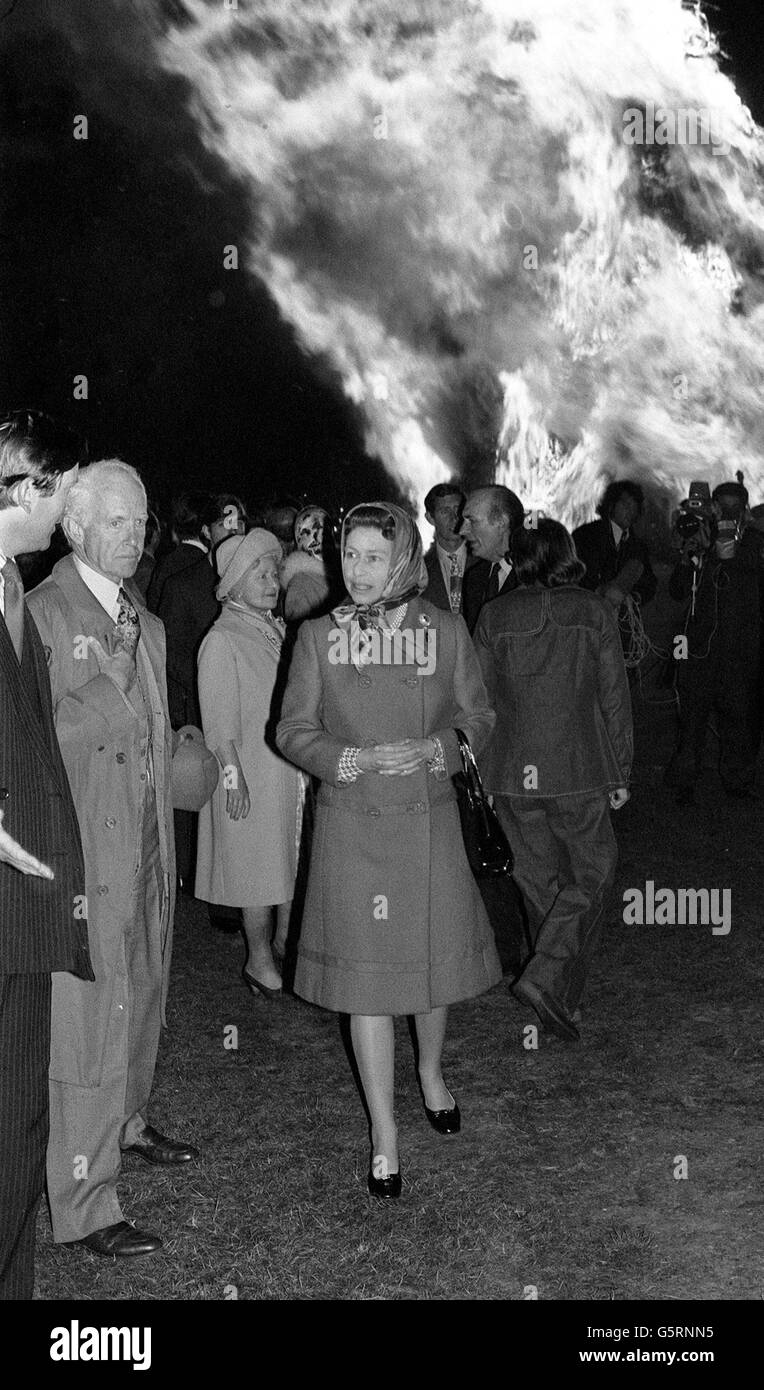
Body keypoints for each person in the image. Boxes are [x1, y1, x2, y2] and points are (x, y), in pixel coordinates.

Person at [277, 503, 501, 1199]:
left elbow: (479, 719)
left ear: (402, 559)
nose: (359, 570)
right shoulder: (319, 636)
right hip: (353, 827)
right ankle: (384, 1134)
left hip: (426, 823)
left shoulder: (445, 628)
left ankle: (431, 1073)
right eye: (351, 556)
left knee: (428, 964)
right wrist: (339, 759)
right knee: (367, 986)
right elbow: (290, 729)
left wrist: (436, 751)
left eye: (375, 557)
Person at [28, 459, 197, 1262]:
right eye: (117, 522)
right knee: (87, 1022)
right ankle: (86, 1201)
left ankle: (125, 1121)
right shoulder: (40, 617)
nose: (134, 537)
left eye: (141, 522)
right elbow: (37, 743)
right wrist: (118, 678)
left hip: (147, 849)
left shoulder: (146, 621)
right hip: (86, 857)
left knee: (144, 986)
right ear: (76, 527)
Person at [474, 519, 633, 1041]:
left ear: (518, 558)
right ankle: (546, 979)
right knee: (591, 875)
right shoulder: (593, 611)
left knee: (540, 885)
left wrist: (482, 775)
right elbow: (614, 696)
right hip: (580, 766)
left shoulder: (495, 615)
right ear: (567, 554)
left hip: (513, 773)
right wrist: (622, 768)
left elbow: (480, 704)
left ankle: (558, 995)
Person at [0, 410, 92, 1300]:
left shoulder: (12, 589)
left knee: (20, 1122)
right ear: (29, 488)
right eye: (61, 494)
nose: (67, 517)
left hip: (25, 901)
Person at [195, 530, 306, 997]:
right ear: (235, 584)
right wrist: (232, 779)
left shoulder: (269, 628)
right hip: (248, 772)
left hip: (280, 771)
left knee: (283, 861)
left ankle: (281, 945)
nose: (270, 580)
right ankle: (259, 960)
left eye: (273, 572)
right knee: (255, 871)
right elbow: (218, 721)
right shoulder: (223, 639)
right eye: (258, 573)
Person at [664, 481, 760, 804]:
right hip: (699, 647)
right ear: (713, 507)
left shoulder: (755, 542)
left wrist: (727, 554)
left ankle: (737, 781)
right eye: (722, 507)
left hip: (739, 647)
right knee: (691, 720)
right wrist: (690, 554)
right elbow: (678, 590)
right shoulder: (700, 539)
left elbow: (753, 568)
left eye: (736, 508)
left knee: (739, 719)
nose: (728, 514)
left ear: (746, 510)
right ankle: (684, 781)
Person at [573, 480, 657, 662]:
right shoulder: (586, 536)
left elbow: (650, 583)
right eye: (626, 505)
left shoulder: (638, 546)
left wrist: (633, 598)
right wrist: (600, 591)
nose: (631, 511)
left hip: (624, 636)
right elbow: (574, 576)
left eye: (635, 507)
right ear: (611, 505)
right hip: (589, 631)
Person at [459, 484, 525, 633]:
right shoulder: (473, 578)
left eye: (472, 521)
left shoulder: (535, 577)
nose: (462, 530)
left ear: (501, 522)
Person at [421, 482, 479, 617]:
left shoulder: (485, 561)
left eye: (458, 510)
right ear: (430, 518)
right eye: (444, 511)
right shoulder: (418, 571)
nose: (454, 518)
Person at [280, 504, 340, 623]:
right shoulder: (300, 587)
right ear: (298, 539)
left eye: (325, 531)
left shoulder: (344, 572)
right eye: (307, 533)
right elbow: (302, 636)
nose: (319, 539)